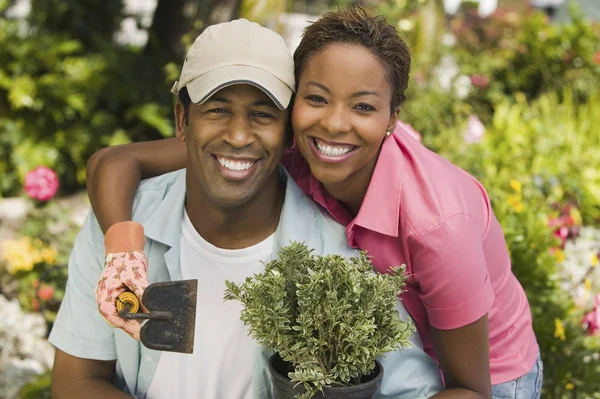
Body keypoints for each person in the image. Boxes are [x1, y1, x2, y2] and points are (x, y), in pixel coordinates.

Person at [87, 7, 543, 399]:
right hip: (400, 353)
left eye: (363, 107)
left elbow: (469, 387)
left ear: (392, 119)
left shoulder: (438, 223)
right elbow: (117, 160)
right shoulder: (282, 145)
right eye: (317, 99)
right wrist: (123, 249)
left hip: (486, 374)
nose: (334, 124)